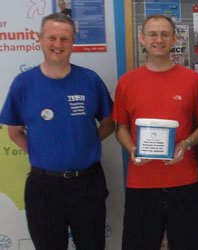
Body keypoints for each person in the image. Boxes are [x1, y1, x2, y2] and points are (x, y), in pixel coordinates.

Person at [0, 13, 113, 249]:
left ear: (73, 42)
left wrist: (86, 144)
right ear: (39, 39)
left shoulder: (89, 80)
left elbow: (109, 123)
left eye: (65, 39)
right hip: (44, 187)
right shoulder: (23, 83)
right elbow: (14, 132)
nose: (58, 45)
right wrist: (43, 153)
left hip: (87, 183)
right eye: (52, 37)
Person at [112, 14, 198, 250]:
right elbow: (120, 128)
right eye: (153, 34)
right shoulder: (127, 82)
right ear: (142, 39)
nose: (159, 39)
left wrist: (186, 143)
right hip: (142, 184)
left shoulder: (193, 80)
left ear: (174, 38)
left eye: (165, 34)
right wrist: (132, 149)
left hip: (184, 181)